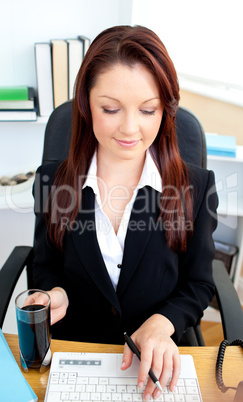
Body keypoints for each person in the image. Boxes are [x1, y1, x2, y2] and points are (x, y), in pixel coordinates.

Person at [31, 25, 218, 399]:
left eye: (148, 110)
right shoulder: (54, 181)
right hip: (77, 356)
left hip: (155, 363)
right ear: (86, 104)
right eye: (111, 109)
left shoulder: (194, 187)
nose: (130, 128)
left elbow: (199, 284)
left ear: (166, 108)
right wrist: (54, 293)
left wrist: (164, 323)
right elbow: (43, 264)